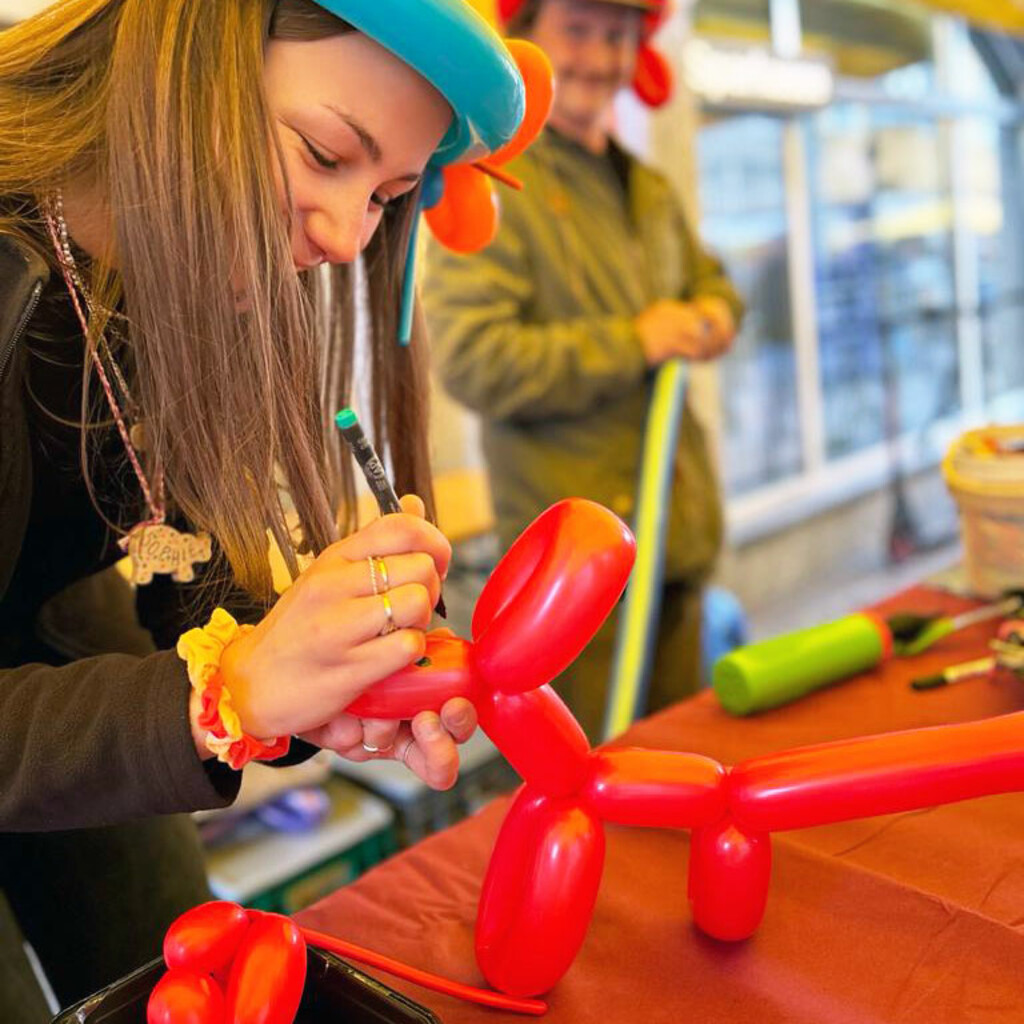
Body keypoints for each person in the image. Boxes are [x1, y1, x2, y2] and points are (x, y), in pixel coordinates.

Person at [0, 0, 525, 1016]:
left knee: (174, 971)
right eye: (326, 152)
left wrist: (301, 673)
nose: (341, 235)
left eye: (388, 195)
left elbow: (157, 534)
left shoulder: (154, 277)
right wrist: (223, 692)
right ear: (182, 55)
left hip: (54, 657)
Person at [423, 0, 745, 741]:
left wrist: (714, 313)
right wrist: (637, 340)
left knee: (677, 772)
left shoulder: (649, 189)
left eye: (617, 37)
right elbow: (475, 359)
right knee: (592, 798)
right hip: (576, 579)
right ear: (524, 39)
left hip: (674, 540)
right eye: (579, 30)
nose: (599, 58)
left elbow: (713, 283)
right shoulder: (498, 188)